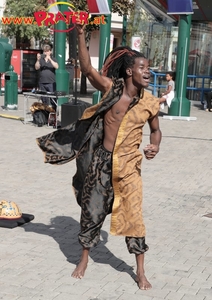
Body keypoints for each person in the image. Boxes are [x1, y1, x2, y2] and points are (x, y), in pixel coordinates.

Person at [36, 22, 162, 290]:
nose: (148, 72)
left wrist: (154, 146)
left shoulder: (150, 102)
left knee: (134, 217)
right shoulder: (111, 89)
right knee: (91, 212)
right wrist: (80, 35)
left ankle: (140, 271)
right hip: (102, 163)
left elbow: (156, 131)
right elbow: (89, 69)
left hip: (129, 167)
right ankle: (83, 260)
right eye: (142, 68)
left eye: (148, 68)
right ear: (130, 71)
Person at [35, 44, 59, 111]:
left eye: (47, 51)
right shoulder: (41, 60)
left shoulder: (53, 59)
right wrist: (37, 60)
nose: (46, 52)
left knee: (52, 99)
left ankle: (54, 112)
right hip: (42, 82)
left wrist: (50, 59)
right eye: (45, 51)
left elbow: (57, 66)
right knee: (44, 99)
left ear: (50, 51)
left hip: (51, 82)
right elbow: (36, 67)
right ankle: (45, 112)